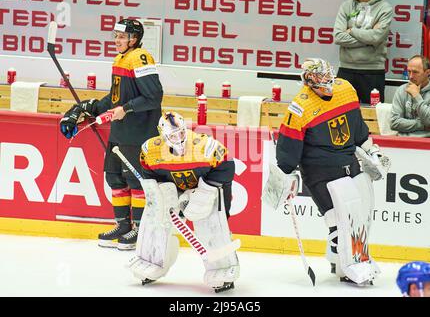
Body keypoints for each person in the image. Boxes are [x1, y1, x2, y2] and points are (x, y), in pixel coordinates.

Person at [262, 58, 390, 286]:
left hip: (349, 161)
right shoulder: (300, 106)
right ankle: (347, 265)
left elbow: (357, 127)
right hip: (319, 169)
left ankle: (340, 260)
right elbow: (288, 147)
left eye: (327, 76)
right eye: (319, 79)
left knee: (360, 215)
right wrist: (284, 175)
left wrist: (371, 150)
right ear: (308, 80)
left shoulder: (346, 89)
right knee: (339, 217)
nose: (326, 82)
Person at [59, 18, 163, 250]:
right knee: (115, 178)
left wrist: (126, 109)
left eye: (122, 37)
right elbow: (115, 98)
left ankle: (138, 229)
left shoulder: (140, 57)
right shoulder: (120, 59)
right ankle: (123, 226)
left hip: (138, 132)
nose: (117, 41)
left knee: (136, 182)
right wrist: (88, 107)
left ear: (134, 39)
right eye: (115, 36)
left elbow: (154, 97)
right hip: (120, 132)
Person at [126, 111, 239, 293]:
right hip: (176, 189)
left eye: (181, 132)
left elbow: (226, 164)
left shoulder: (203, 145)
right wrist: (162, 191)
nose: (178, 138)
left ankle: (223, 267)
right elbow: (148, 171)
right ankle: (151, 260)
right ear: (162, 136)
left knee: (212, 224)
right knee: (156, 217)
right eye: (173, 135)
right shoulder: (151, 149)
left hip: (205, 187)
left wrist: (206, 191)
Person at [334, 0, 393, 104]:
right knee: (341, 114)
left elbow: (377, 37)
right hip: (346, 69)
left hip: (373, 71)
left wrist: (351, 30)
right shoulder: (346, 6)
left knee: (374, 115)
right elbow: (338, 37)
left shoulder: (384, 8)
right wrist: (370, 39)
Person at [390, 55, 430, 137]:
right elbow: (394, 122)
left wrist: (416, 96)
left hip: (426, 143)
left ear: (427, 73)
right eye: (409, 71)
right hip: (402, 142)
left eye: (415, 72)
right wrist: (422, 125)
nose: (411, 76)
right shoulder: (402, 90)